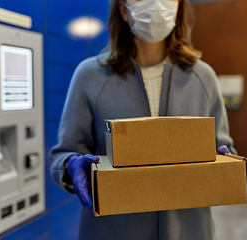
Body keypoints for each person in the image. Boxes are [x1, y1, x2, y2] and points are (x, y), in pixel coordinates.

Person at [50, 0, 236, 239]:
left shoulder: (202, 76)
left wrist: (223, 161)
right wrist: (71, 167)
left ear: (178, 7)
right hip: (112, 230)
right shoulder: (90, 76)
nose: (156, 4)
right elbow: (63, 154)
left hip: (188, 230)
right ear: (123, 10)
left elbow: (225, 150)